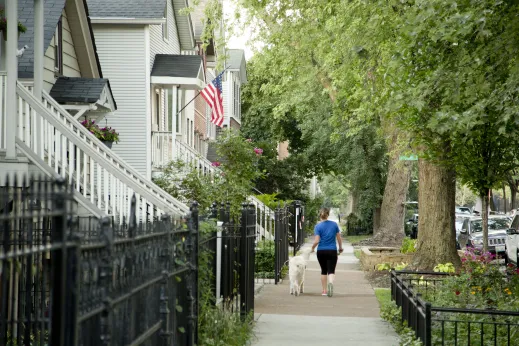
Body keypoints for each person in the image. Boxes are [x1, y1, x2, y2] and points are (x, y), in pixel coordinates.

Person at [311, 208, 343, 297]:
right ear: (328, 215)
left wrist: (312, 248)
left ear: (320, 216)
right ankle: (331, 283)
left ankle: (324, 290)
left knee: (323, 270)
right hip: (332, 250)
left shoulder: (318, 226)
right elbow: (339, 238)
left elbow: (317, 241)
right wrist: (340, 248)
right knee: (331, 270)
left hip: (321, 251)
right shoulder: (334, 225)